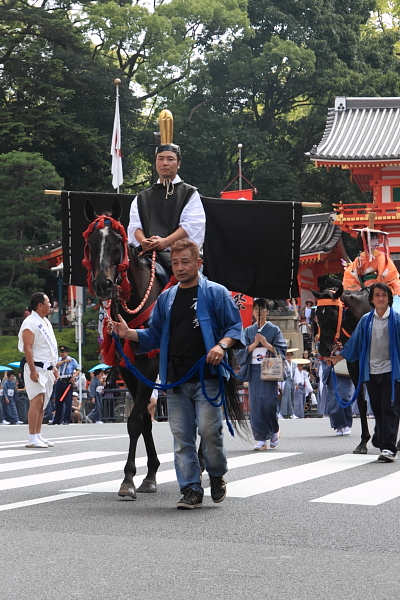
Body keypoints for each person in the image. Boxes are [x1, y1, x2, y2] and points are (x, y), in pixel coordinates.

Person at [111, 239, 245, 510]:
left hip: (208, 376)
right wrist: (129, 334)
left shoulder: (217, 294)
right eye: (175, 263)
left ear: (199, 263)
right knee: (182, 437)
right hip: (175, 378)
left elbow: (234, 328)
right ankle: (191, 489)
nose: (180, 267)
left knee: (209, 432)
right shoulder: (167, 298)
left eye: (186, 261)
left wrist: (221, 345)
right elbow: (154, 336)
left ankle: (216, 475)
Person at [327, 282, 400, 462]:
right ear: (372, 299)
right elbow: (354, 344)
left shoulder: (397, 319)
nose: (381, 298)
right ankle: (384, 443)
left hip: (392, 372)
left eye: (384, 295)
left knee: (389, 408)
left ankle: (389, 449)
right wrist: (336, 358)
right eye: (377, 295)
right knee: (378, 409)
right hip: (372, 372)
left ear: (389, 298)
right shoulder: (366, 320)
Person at [127, 141, 205, 275]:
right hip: (147, 255)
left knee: (198, 286)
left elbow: (191, 225)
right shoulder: (142, 197)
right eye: (160, 158)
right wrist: (143, 241)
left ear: (178, 164)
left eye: (170, 159)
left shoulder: (189, 193)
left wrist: (166, 242)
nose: (165, 163)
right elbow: (135, 226)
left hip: (180, 256)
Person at [236, 298, 287, 450]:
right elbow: (240, 352)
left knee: (269, 403)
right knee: (256, 405)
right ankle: (260, 439)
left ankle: (274, 430)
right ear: (252, 312)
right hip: (254, 370)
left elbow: (281, 350)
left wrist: (266, 344)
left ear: (267, 311)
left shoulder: (274, 330)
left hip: (269, 370)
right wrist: (253, 345)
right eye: (256, 309)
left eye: (262, 309)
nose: (259, 312)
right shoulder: (248, 331)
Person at [18, 292, 58, 448]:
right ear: (40, 305)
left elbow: (49, 347)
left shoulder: (45, 321)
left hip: (47, 367)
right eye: (48, 302)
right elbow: (28, 348)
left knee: (42, 403)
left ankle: (38, 434)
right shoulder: (30, 322)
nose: (50, 305)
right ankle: (32, 437)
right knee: (37, 400)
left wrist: (54, 366)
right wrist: (33, 370)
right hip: (35, 367)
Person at [343, 228, 400, 310]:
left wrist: (376, 286)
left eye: (376, 238)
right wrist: (360, 289)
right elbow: (350, 276)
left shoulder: (382, 257)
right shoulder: (358, 260)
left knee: (395, 309)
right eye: (372, 238)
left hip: (383, 289)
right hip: (364, 291)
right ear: (365, 241)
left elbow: (390, 274)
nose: (376, 241)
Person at [50, 346, 79, 425]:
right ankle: (57, 419)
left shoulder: (72, 360)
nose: (62, 353)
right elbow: (55, 365)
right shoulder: (58, 359)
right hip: (59, 381)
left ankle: (66, 420)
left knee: (68, 401)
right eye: (61, 352)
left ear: (67, 352)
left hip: (67, 382)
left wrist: (74, 376)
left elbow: (79, 369)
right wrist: (64, 361)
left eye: (64, 352)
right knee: (58, 401)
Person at [280, 348, 298, 419]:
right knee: (286, 398)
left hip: (292, 381)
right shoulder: (283, 363)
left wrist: (296, 383)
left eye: (290, 355)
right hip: (286, 381)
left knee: (292, 397)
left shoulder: (294, 364)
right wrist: (279, 383)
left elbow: (295, 374)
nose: (289, 357)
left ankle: (292, 413)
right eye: (287, 355)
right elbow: (281, 374)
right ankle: (282, 413)